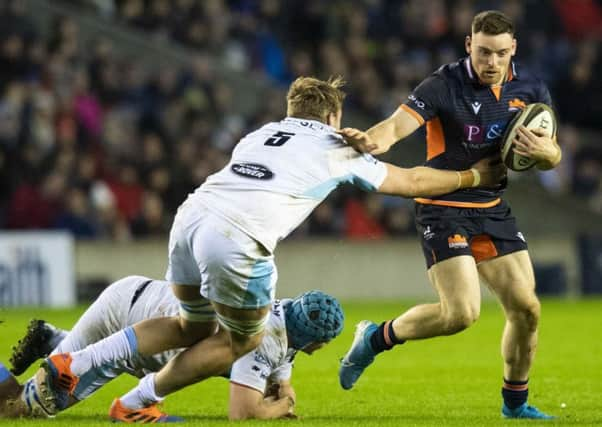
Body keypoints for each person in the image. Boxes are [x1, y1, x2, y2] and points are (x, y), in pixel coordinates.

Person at [40, 76, 504, 419]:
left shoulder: (259, 134)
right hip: (237, 237)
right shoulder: (335, 143)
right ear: (332, 117)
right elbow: (411, 181)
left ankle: (73, 362)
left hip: (192, 216)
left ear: (291, 109)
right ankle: (137, 403)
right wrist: (474, 177)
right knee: (243, 339)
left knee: (190, 324)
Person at [337, 11, 561, 420]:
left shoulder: (530, 88)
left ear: (514, 50)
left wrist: (551, 155)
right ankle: (374, 338)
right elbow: (394, 127)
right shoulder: (443, 85)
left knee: (527, 309)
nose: (491, 62)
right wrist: (370, 140)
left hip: (492, 206)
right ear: (468, 46)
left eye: (500, 54)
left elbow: (549, 152)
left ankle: (515, 404)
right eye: (482, 52)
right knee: (461, 315)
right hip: (443, 207)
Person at [0, 275, 344, 420]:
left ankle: (54, 339)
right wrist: (278, 407)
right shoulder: (266, 340)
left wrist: (281, 388)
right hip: (130, 327)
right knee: (22, 407)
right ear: (316, 341)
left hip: (136, 296)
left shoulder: (282, 313)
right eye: (325, 343)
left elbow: (280, 372)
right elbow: (243, 411)